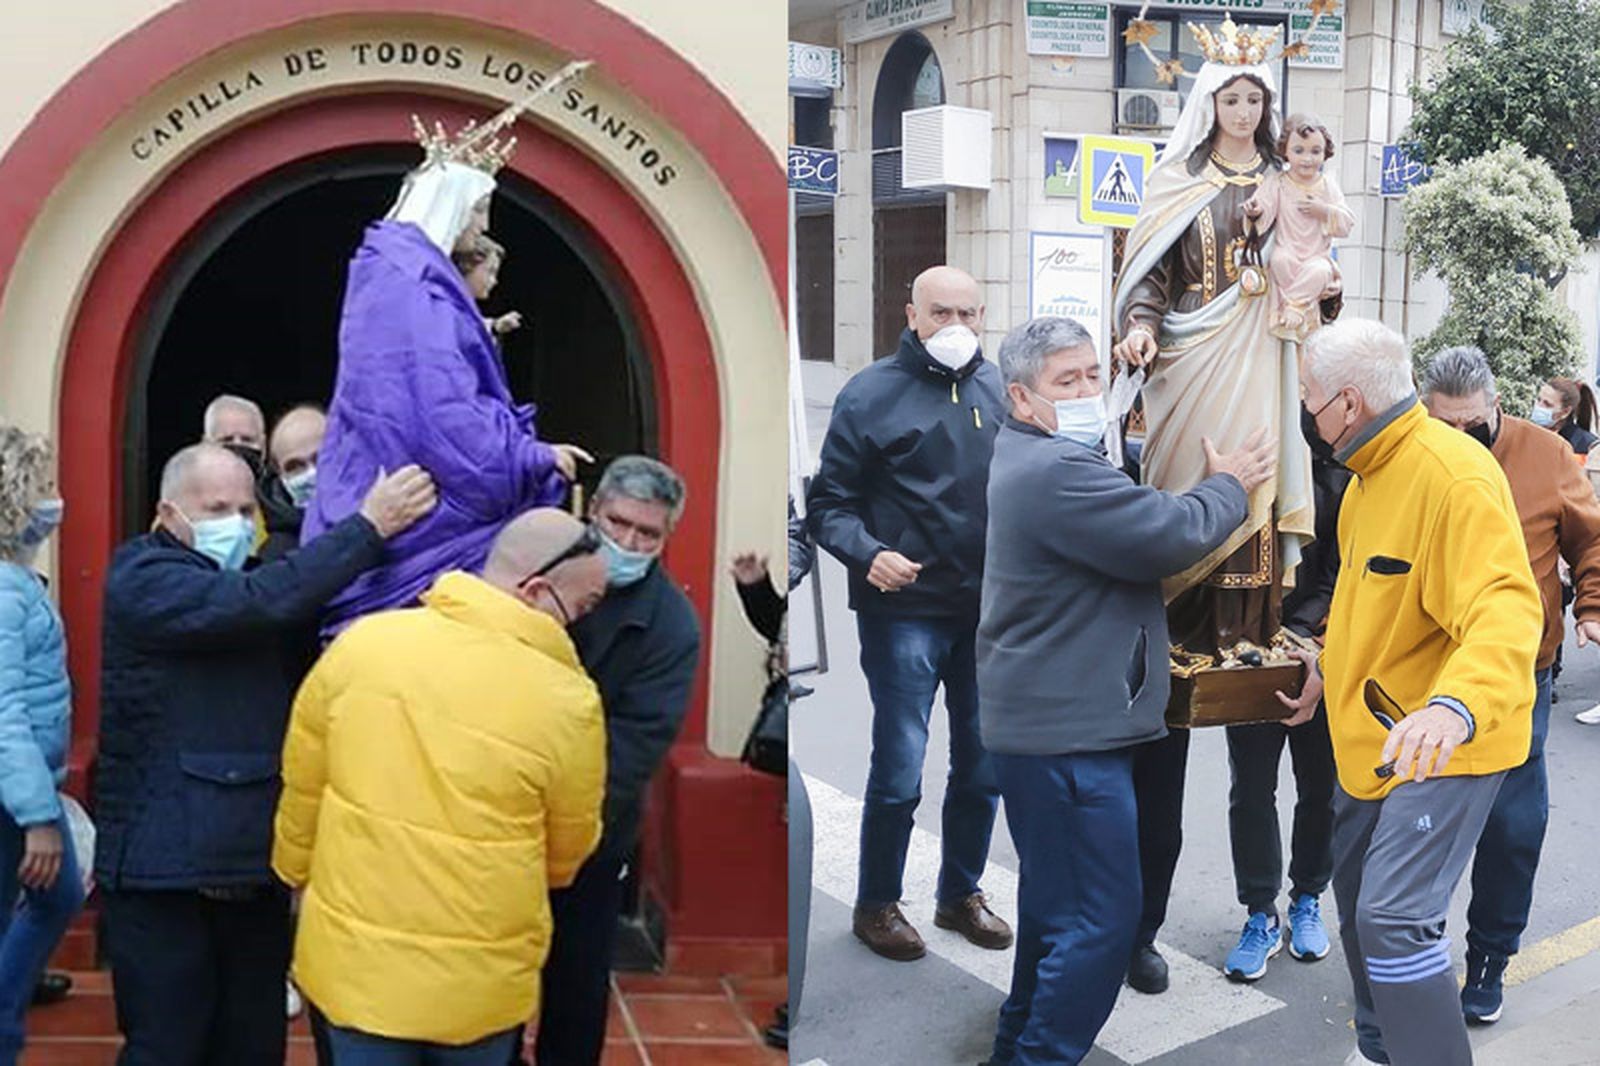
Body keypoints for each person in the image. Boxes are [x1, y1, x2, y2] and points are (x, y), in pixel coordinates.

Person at [977, 316, 1269, 1066]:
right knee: (1103, 922)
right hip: (1069, 738)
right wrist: (1230, 484)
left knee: (1053, 912)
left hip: (1049, 727)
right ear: (1020, 396)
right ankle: (1041, 1055)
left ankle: (1018, 1045)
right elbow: (1166, 534)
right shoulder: (1055, 471)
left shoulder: (1039, 454)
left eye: (1089, 377)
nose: (1083, 392)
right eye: (1063, 382)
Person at [94, 443, 436, 1065]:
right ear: (169, 513)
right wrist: (368, 528)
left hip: (249, 860)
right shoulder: (142, 576)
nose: (235, 519)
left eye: (245, 507)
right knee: (169, 1044)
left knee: (253, 1042)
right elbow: (259, 603)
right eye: (216, 506)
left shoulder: (253, 575)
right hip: (161, 872)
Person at [1109, 27, 1319, 993]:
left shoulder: (1289, 178)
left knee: (1260, 481)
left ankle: (1241, 629)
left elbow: (1317, 257)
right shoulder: (1174, 180)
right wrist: (1143, 332)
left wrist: (1311, 281)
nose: (1243, 113)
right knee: (1187, 485)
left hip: (1260, 351)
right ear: (1210, 106)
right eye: (1230, 100)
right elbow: (1146, 280)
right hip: (1192, 359)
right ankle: (1179, 622)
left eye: (1254, 100)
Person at [1279, 318, 1542, 1066]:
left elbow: (1504, 605)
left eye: (1308, 395)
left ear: (1349, 403)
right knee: (1361, 910)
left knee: (1393, 917)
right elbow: (1372, 607)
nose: (1304, 408)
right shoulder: (1365, 480)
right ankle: (1380, 1048)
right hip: (1375, 743)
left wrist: (1453, 707)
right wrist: (1326, 670)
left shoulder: (1451, 473)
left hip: (1448, 741)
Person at [274, 509, 607, 1066]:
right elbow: (565, 853)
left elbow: (302, 791)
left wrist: (295, 876)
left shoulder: (363, 646)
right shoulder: (569, 702)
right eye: (584, 605)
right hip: (481, 979)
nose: (579, 621)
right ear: (537, 590)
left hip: (357, 967)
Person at [303, 108, 590, 636]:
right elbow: (444, 418)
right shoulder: (415, 289)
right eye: (478, 210)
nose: (483, 227)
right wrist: (531, 457)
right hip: (419, 547)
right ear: (450, 204)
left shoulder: (393, 275)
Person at [807, 264, 1012, 962]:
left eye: (969, 313)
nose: (956, 328)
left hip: (988, 611)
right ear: (911, 313)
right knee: (900, 767)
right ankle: (877, 905)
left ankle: (960, 895)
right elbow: (827, 506)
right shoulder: (869, 395)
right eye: (941, 313)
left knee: (983, 768)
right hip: (905, 613)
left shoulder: (999, 387)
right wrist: (868, 554)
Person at [1420, 346, 1600, 1025]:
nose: (1462, 440)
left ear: (1498, 406)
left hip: (1518, 673)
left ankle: (1491, 956)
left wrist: (1591, 604)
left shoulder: (1546, 455)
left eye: (1476, 426)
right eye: (1448, 427)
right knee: (1423, 823)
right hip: (1428, 669)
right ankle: (1414, 957)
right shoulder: (1414, 454)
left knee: (1511, 826)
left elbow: (1592, 539)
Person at [533, 457, 701, 1066]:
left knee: (577, 980)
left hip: (593, 834)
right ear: (593, 510)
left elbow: (633, 749)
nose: (629, 542)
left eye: (647, 533)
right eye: (619, 523)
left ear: (666, 538)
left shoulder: (672, 625)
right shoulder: (538, 570)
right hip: (498, 820)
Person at [1221, 412, 1350, 982]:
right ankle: (1259, 912)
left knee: (1319, 787)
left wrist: (1313, 646)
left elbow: (1346, 572)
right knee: (1251, 788)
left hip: (1320, 650)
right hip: (1249, 652)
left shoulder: (1345, 466)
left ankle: (1306, 899)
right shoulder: (1251, 442)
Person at [0, 425, 85, 1064]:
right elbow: (6, 715)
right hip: (14, 797)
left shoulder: (17, 583)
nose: (56, 499)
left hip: (22, 789)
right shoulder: (5, 593)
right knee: (56, 892)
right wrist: (37, 817)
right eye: (46, 486)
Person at [730, 494, 813, 1051]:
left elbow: (803, 550)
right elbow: (776, 623)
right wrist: (756, 588)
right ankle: (790, 996)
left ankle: (793, 1000)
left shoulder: (795, 509)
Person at [1242, 112, 1355, 342]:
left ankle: (1294, 307)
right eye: (1299, 151)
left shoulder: (1327, 186)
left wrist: (1324, 211)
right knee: (1279, 260)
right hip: (1288, 252)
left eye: (1315, 152)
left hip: (1316, 257)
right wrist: (1254, 212)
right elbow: (1262, 210)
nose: (1307, 159)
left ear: (1325, 153)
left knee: (1320, 272)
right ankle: (1287, 310)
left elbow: (1346, 223)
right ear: (1285, 151)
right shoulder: (1278, 183)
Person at [261, 404, 327, 563]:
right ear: (280, 476)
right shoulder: (276, 558)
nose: (312, 472)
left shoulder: (382, 508)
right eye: (295, 467)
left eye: (321, 458)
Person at [453, 234, 523, 339]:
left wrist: (495, 327)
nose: (494, 281)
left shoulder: (465, 308)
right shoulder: (446, 303)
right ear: (468, 265)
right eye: (490, 271)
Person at [1532, 377, 1599, 456]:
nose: (1539, 407)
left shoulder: (1588, 447)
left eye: (1547, 404)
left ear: (1565, 412)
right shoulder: (1529, 436)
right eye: (1539, 400)